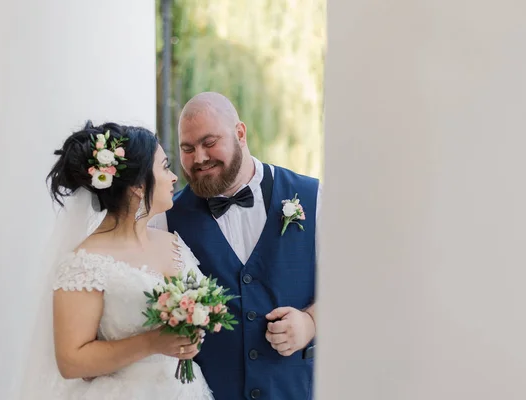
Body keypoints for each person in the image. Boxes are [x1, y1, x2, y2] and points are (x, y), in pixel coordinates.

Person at [17, 121, 215, 399]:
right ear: (137, 185)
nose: (173, 178)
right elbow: (71, 361)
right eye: (165, 167)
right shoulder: (85, 262)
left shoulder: (172, 242)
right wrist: (153, 343)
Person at [148, 92, 320, 400]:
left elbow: (353, 287)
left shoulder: (314, 197)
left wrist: (310, 321)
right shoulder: (165, 220)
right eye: (188, 148)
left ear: (240, 133)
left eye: (209, 142)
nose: (199, 158)